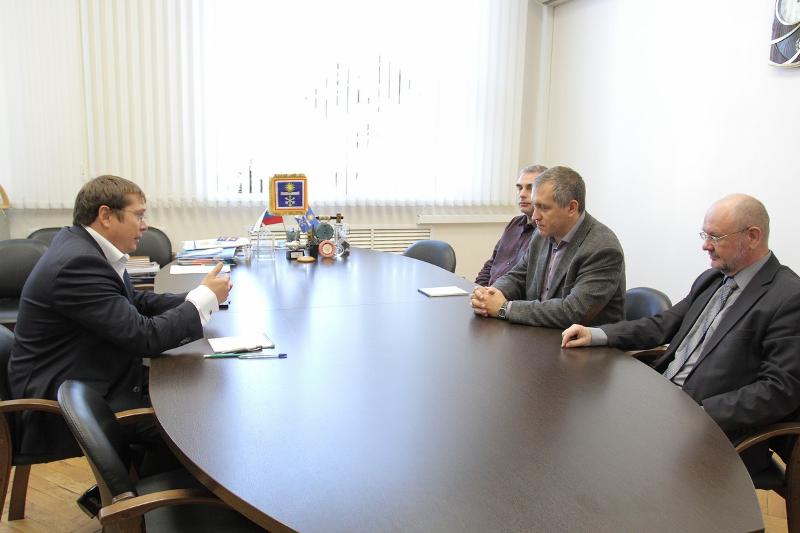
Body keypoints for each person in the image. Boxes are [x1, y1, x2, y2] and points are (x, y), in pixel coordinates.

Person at [561, 194, 800, 473]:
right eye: (704, 235)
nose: (705, 245)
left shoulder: (788, 296)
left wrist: (702, 413)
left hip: (714, 430)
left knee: (607, 456)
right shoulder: (713, 278)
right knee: (580, 420)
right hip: (661, 400)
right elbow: (663, 324)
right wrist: (596, 334)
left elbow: (780, 389)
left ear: (753, 236)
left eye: (715, 237)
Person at [9, 175, 232, 459]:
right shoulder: (78, 263)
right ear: (105, 216)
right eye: (138, 215)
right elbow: (144, 338)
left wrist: (198, 296)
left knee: (199, 395)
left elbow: (134, 302)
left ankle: (149, 475)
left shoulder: (86, 248)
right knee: (200, 425)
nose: (145, 225)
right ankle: (147, 483)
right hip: (66, 403)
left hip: (91, 374)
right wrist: (202, 302)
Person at [471, 166, 625, 329]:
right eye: (535, 206)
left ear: (571, 208)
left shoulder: (602, 248)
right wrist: (490, 295)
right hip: (542, 331)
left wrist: (504, 308)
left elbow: (573, 312)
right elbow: (518, 276)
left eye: (544, 208)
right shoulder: (541, 234)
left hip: (582, 341)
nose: (535, 216)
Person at [475, 164, 548, 286]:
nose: (522, 194)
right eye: (520, 188)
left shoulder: (546, 232)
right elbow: (491, 265)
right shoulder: (514, 224)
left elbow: (528, 283)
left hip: (509, 296)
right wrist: (478, 288)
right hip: (489, 293)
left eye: (530, 188)